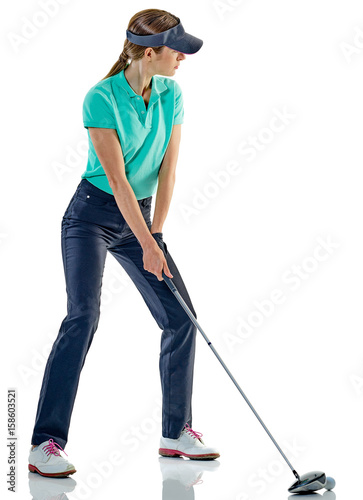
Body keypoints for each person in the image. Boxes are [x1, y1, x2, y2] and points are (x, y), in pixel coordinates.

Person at [28, 8, 220, 478]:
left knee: (181, 319)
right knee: (83, 317)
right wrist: (146, 240)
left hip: (143, 217)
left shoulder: (172, 93)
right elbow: (116, 179)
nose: (183, 59)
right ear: (149, 52)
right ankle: (43, 443)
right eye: (177, 50)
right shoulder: (100, 98)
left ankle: (176, 433)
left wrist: (155, 236)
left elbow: (169, 169)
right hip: (92, 214)